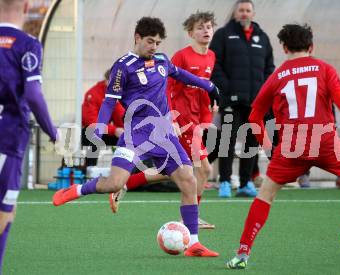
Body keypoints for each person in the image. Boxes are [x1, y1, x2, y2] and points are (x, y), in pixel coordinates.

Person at [52, 17, 220, 257]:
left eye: (158, 42)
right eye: (150, 41)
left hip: (163, 134)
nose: (154, 47)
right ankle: (77, 190)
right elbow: (110, 100)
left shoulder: (162, 61)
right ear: (137, 38)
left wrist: (209, 86)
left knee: (189, 180)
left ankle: (193, 243)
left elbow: (182, 75)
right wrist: (100, 126)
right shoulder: (123, 65)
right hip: (135, 134)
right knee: (114, 183)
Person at [226, 24, 340, 269]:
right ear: (311, 46)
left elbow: (254, 117)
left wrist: (267, 148)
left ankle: (242, 253)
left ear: (284, 47)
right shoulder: (325, 69)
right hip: (324, 143)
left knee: (265, 195)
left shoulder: (277, 76)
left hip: (290, 148)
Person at [109, 11, 218, 229]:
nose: (205, 30)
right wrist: (172, 118)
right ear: (190, 32)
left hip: (195, 120)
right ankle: (190, 219)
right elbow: (164, 87)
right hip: (179, 120)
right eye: (200, 27)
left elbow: (202, 92)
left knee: (178, 170)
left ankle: (126, 183)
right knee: (202, 170)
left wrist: (207, 117)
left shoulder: (211, 56)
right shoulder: (180, 56)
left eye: (208, 26)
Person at [0, 0, 57, 270]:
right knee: (4, 213)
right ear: (26, 7)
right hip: (7, 139)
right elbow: (33, 95)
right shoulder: (28, 44)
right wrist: (53, 133)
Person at [210, 0, 275, 197]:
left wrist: (265, 92)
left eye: (248, 10)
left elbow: (269, 68)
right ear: (235, 13)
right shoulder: (223, 35)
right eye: (241, 10)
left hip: (255, 101)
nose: (244, 14)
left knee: (251, 142)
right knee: (227, 141)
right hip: (231, 100)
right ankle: (225, 183)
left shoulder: (262, 37)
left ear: (253, 14)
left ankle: (246, 182)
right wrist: (227, 89)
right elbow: (215, 65)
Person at [82, 69, 125, 166]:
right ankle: (89, 170)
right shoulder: (93, 94)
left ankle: (128, 172)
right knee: (95, 135)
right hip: (90, 130)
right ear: (106, 81)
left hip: (107, 131)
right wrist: (114, 130)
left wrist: (117, 103)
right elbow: (92, 123)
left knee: (129, 139)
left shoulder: (117, 94)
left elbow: (121, 120)